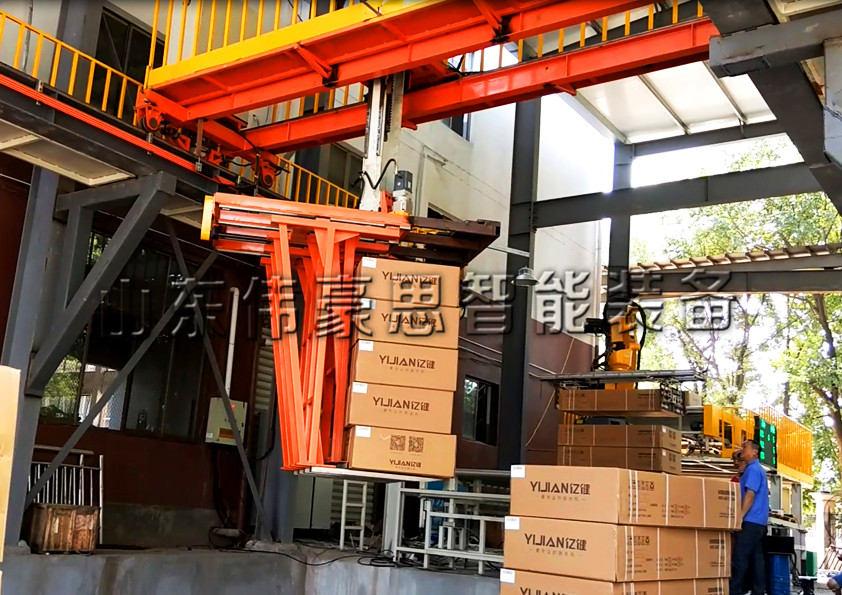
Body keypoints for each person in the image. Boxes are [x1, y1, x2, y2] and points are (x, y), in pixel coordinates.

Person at [729, 439, 770, 595]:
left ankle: (735, 590)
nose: (742, 449)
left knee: (740, 557)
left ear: (755, 452)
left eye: (745, 447)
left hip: (750, 520)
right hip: (759, 522)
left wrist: (739, 517)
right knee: (756, 558)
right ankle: (758, 591)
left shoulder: (753, 470)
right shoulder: (755, 469)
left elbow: (750, 495)